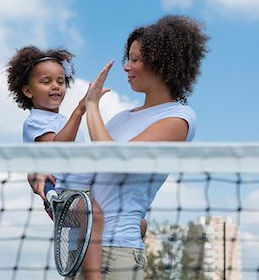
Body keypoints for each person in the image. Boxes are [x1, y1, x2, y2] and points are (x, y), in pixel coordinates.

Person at [79, 15, 209, 280]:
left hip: (117, 254)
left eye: (135, 59)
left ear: (161, 64)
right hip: (85, 250)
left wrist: (91, 106)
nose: (126, 67)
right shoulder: (119, 119)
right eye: (128, 58)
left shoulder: (178, 118)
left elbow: (114, 161)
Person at [6, 46, 105, 280]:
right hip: (63, 196)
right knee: (95, 216)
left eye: (60, 81)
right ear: (28, 90)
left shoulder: (61, 120)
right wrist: (81, 110)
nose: (56, 86)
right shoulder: (35, 121)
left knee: (138, 224)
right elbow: (58, 147)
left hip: (83, 191)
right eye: (47, 81)